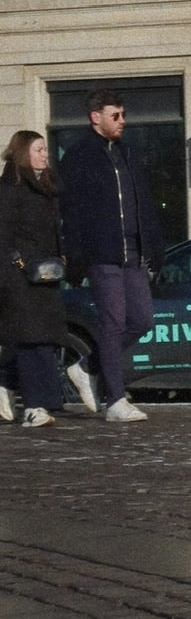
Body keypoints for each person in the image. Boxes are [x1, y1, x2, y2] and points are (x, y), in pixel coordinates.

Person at [59, 88, 162, 423]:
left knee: (143, 320)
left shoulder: (128, 153)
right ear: (95, 118)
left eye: (123, 115)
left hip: (134, 252)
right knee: (113, 323)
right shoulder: (78, 156)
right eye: (115, 115)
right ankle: (115, 400)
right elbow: (71, 212)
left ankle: (87, 366)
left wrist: (154, 247)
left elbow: (143, 202)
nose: (122, 121)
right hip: (103, 253)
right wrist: (75, 257)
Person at [0, 131, 71, 427]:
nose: (46, 154)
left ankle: (16, 389)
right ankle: (34, 406)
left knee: (45, 340)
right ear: (23, 153)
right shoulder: (10, 189)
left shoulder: (47, 188)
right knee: (31, 341)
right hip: (19, 278)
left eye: (45, 149)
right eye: (39, 149)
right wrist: (12, 271)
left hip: (46, 276)